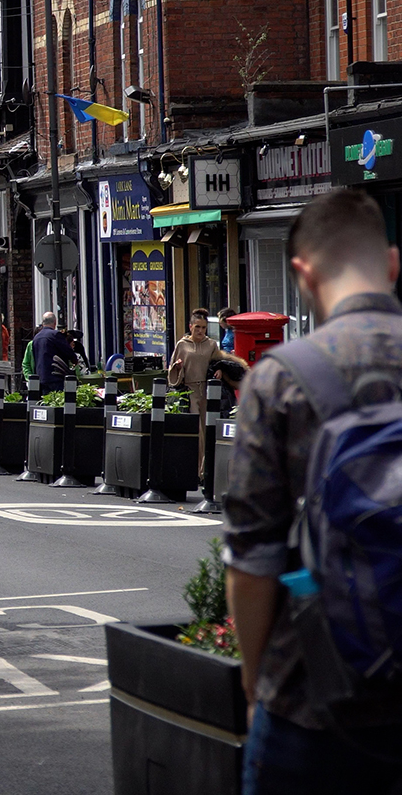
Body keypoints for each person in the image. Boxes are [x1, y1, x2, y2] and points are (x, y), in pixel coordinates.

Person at [224, 189, 402, 795]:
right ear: (393, 264)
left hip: (313, 701)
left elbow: (253, 558)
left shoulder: (279, 380)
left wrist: (257, 687)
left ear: (302, 274)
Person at [167, 308, 223, 415]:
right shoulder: (182, 344)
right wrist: (177, 367)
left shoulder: (211, 344)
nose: (200, 330)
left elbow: (217, 362)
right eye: (197, 327)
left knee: (208, 419)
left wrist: (219, 370)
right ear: (190, 326)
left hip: (208, 389)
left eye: (203, 327)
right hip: (189, 389)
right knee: (194, 419)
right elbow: (172, 371)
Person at [31, 312, 76, 393]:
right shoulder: (55, 335)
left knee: (46, 399)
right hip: (56, 376)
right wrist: (74, 360)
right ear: (55, 322)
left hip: (41, 377)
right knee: (59, 399)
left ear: (43, 323)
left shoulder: (36, 337)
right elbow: (68, 351)